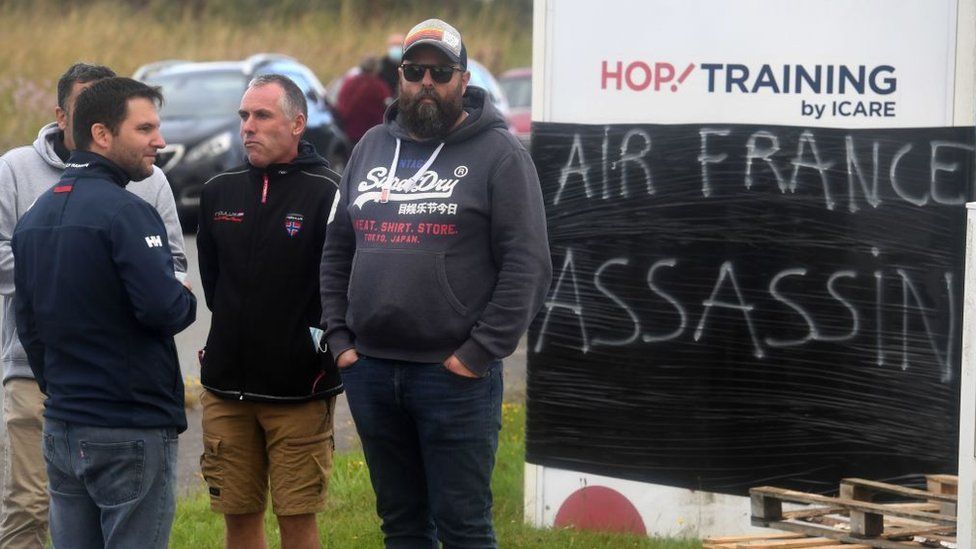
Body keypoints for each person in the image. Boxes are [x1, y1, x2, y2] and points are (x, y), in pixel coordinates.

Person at [320, 18, 552, 548]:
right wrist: (340, 341)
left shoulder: (500, 154)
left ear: (463, 80)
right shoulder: (370, 148)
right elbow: (336, 247)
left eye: (440, 72)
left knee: (464, 529)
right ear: (399, 77)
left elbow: (528, 263)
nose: (427, 81)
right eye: (415, 70)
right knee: (401, 526)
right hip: (372, 370)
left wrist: (478, 352)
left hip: (454, 379)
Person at [0, 63, 187, 549]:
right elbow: (163, 309)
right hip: (129, 423)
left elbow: (30, 321)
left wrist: (56, 385)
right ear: (101, 134)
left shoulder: (37, 216)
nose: (159, 141)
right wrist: (183, 298)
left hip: (63, 422)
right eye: (145, 128)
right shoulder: (126, 211)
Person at [196, 74, 342, 549]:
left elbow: (338, 290)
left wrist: (317, 355)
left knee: (297, 520)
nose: (248, 128)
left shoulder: (328, 192)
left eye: (262, 116)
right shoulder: (219, 190)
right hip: (225, 390)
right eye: (244, 116)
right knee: (238, 518)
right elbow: (214, 285)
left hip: (299, 392)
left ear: (298, 123)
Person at [336, 56, 393, 145]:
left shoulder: (349, 82)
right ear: (376, 69)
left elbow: (340, 103)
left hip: (347, 132)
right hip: (371, 136)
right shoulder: (379, 87)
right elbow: (389, 107)